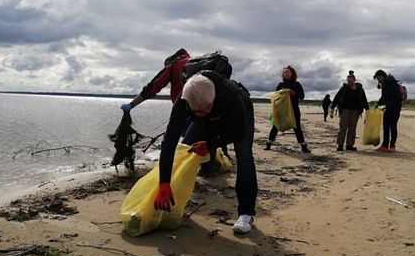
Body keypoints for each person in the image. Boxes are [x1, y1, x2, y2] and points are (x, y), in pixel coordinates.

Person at [154, 71, 258, 234]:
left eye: (206, 109)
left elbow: (238, 131)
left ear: (213, 99)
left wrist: (211, 144)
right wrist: (164, 184)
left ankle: (246, 214)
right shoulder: (183, 102)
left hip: (238, 116)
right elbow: (169, 144)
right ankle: (173, 199)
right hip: (203, 119)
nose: (203, 113)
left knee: (244, 156)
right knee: (185, 150)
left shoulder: (230, 95)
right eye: (198, 112)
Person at [120, 48, 191, 111]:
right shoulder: (194, 62)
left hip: (188, 108)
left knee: (175, 125)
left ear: (167, 63)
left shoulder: (173, 65)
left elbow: (153, 87)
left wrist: (131, 104)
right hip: (200, 106)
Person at [265, 65, 311, 153]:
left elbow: (302, 96)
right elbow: (275, 97)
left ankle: (303, 146)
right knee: (276, 125)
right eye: (284, 72)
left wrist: (293, 93)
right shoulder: (280, 85)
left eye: (287, 72)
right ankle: (268, 144)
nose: (286, 74)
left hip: (294, 109)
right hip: (281, 110)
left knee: (297, 127)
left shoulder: (297, 84)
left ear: (292, 73)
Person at [330, 71, 369, 151]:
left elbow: (364, 100)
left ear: (354, 80)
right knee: (343, 127)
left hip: (355, 111)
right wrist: (332, 107)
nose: (349, 83)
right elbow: (337, 97)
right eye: (348, 81)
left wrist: (367, 110)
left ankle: (349, 145)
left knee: (352, 128)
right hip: (345, 110)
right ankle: (340, 145)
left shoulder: (360, 89)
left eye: (351, 81)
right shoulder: (344, 88)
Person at [373, 69, 402, 152]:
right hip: (388, 108)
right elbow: (384, 97)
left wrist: (385, 105)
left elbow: (393, 97)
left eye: (378, 79)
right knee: (386, 126)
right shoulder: (385, 83)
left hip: (395, 108)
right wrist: (378, 104)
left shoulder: (390, 83)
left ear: (382, 76)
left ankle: (392, 146)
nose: (378, 81)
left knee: (393, 126)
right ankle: (385, 145)